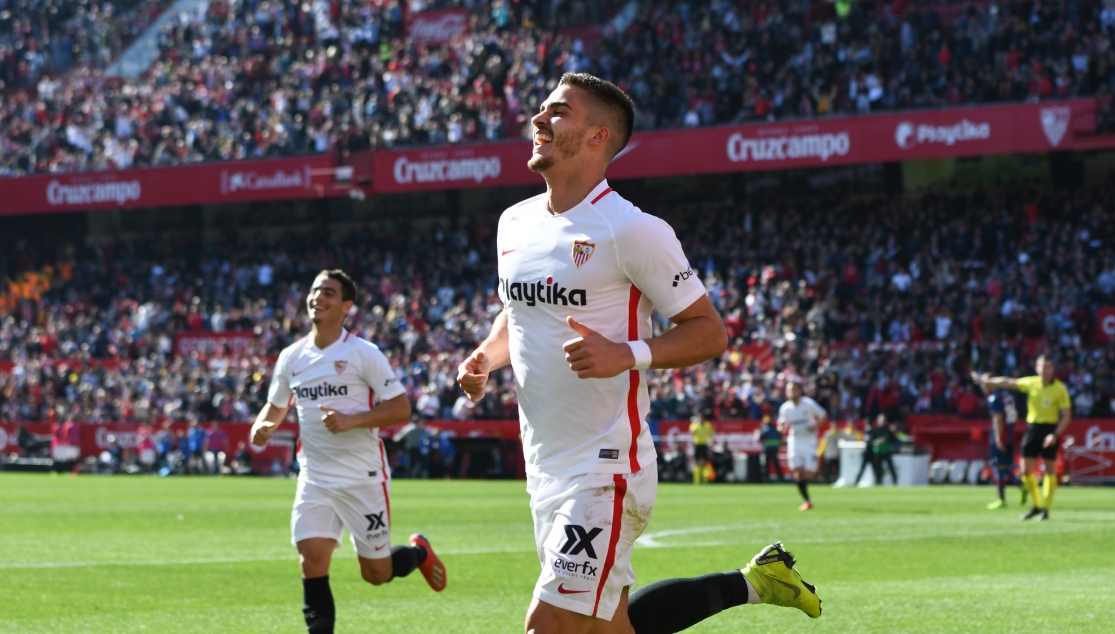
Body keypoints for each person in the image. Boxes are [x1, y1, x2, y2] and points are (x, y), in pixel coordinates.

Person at [457, 73, 820, 634]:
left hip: (606, 467)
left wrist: (627, 353)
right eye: (542, 109)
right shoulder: (514, 222)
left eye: (558, 113)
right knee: (608, 625)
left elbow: (709, 330)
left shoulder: (632, 229)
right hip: (546, 464)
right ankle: (757, 582)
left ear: (599, 135)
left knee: (548, 625)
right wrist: (485, 357)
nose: (537, 120)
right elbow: (521, 311)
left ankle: (755, 582)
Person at [251, 269, 448, 634]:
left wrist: (352, 420)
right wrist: (262, 425)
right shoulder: (291, 356)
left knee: (376, 574)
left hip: (362, 477)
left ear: (346, 306)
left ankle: (418, 553)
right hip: (315, 476)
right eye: (315, 290)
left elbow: (401, 408)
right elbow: (276, 405)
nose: (318, 297)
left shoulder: (363, 353)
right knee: (312, 559)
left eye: (328, 292)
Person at [974, 355, 1072, 521]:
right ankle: (1037, 505)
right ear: (1037, 368)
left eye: (1048, 367)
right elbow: (1008, 382)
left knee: (1049, 469)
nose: (1045, 370)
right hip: (1032, 428)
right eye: (1042, 367)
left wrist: (1054, 434)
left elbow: (1067, 416)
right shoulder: (1031, 383)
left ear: (1052, 369)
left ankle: (1046, 509)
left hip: (1049, 429)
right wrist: (988, 382)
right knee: (1026, 471)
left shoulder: (1060, 389)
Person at [777, 380, 827, 510]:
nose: (791, 392)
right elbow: (782, 426)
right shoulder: (785, 408)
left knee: (810, 475)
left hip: (810, 443)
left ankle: (817, 474)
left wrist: (815, 426)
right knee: (798, 473)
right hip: (795, 442)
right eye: (789, 390)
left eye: (794, 389)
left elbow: (824, 415)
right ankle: (807, 501)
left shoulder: (808, 404)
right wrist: (780, 428)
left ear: (799, 391)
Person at [978, 381, 1021, 510]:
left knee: (998, 468)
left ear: (992, 384)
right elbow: (1015, 415)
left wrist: (997, 438)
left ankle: (1004, 497)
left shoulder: (995, 398)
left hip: (1001, 436)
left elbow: (998, 418)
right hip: (1010, 434)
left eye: (985, 384)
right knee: (1006, 467)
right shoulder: (1008, 395)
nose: (983, 388)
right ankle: (1020, 486)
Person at [757, 416, 785, 482]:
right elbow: (780, 438)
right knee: (776, 464)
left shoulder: (765, 430)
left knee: (766, 465)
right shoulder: (775, 430)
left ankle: (766, 478)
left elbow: (760, 438)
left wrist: (758, 432)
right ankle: (780, 478)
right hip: (775, 450)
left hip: (767, 450)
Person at [688, 413, 714, 484]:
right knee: (697, 462)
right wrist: (698, 425)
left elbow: (711, 435)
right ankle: (697, 480)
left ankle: (705, 479)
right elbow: (692, 433)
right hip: (697, 445)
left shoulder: (708, 425)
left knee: (705, 462)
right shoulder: (694, 425)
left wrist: (710, 447)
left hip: (704, 445)